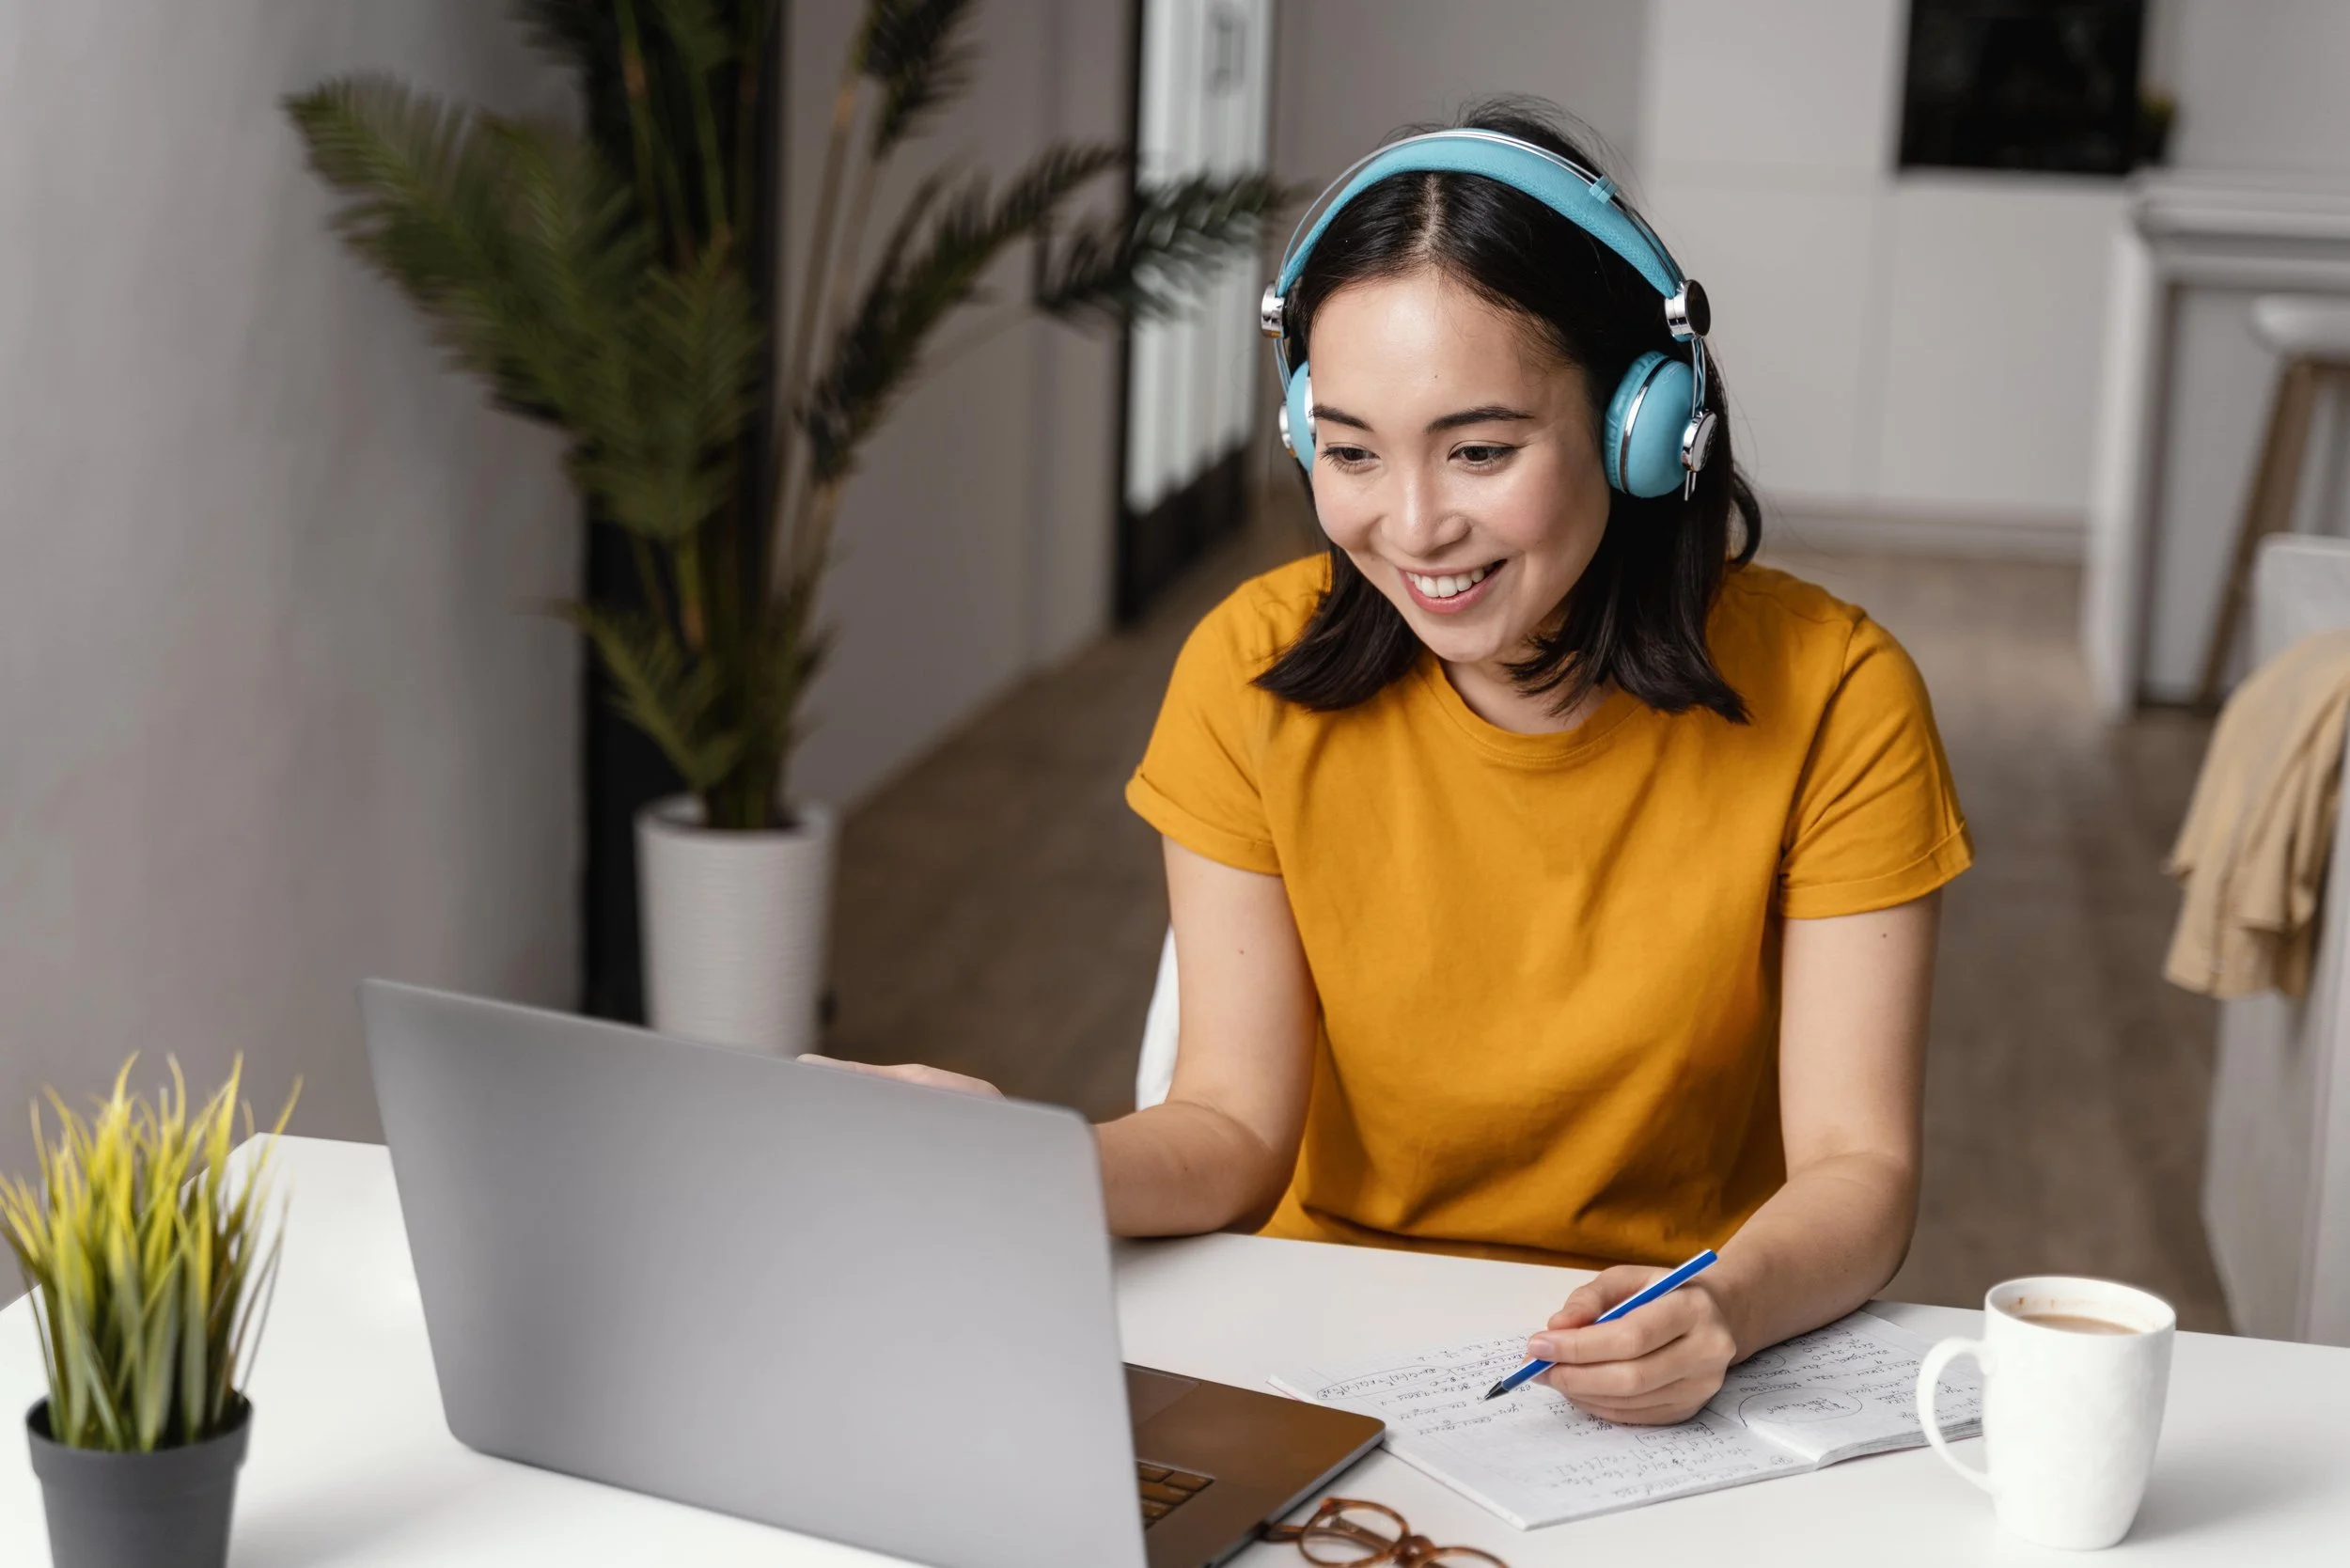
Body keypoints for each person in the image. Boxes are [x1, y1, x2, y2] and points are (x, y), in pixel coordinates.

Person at [810, 102, 1970, 1427]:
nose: (1413, 525)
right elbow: (1235, 1133)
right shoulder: (1248, 673)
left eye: (1481, 449)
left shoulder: (1840, 696)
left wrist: (1722, 1307)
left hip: (1659, 1351)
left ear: (1644, 425)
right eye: (1351, 451)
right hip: (1313, 1340)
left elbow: (1857, 1166)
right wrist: (1016, 1161)